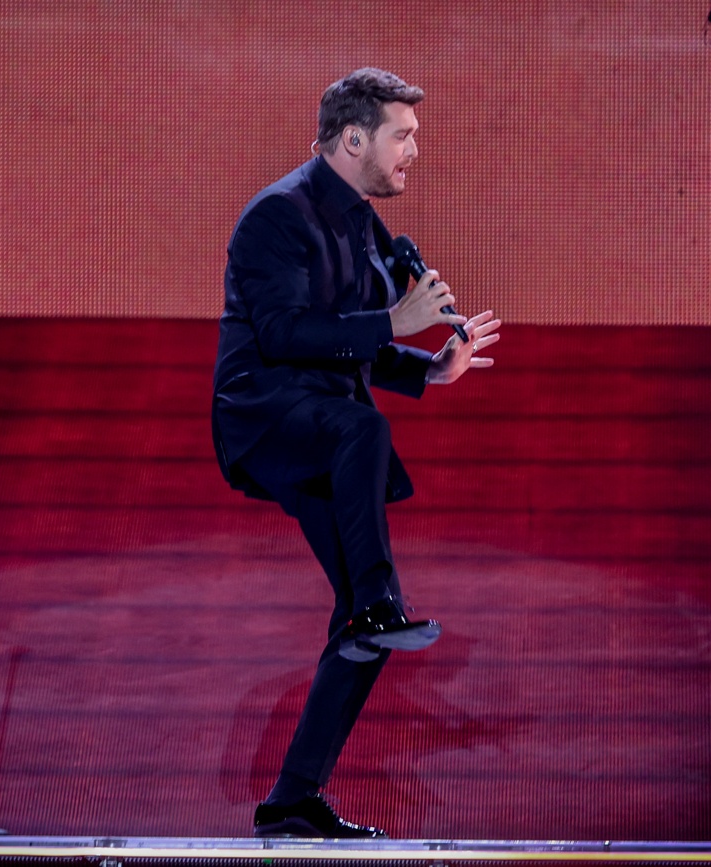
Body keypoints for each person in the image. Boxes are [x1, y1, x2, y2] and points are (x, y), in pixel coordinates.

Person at [212, 67, 501, 838]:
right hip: (266, 412)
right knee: (363, 432)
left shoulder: (365, 224)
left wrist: (431, 368)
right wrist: (393, 324)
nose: (414, 151)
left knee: (364, 624)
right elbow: (283, 333)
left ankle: (293, 799)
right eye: (402, 136)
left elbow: (355, 338)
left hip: (326, 417)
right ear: (352, 138)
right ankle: (377, 601)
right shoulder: (276, 215)